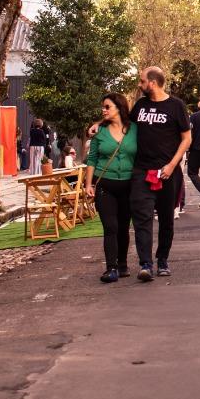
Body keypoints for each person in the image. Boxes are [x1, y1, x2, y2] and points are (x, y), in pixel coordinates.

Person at [129, 66, 191, 282]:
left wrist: (172, 165)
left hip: (168, 172)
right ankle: (145, 263)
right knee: (142, 217)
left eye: (142, 81)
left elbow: (186, 138)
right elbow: (125, 126)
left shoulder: (176, 105)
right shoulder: (140, 105)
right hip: (141, 171)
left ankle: (162, 260)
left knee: (166, 219)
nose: (140, 84)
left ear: (152, 83)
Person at [86, 93, 137, 283]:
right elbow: (92, 159)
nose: (103, 110)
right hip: (104, 185)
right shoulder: (99, 132)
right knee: (110, 226)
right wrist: (88, 184)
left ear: (119, 108)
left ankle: (122, 264)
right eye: (103, 107)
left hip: (128, 185)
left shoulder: (134, 129)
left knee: (123, 226)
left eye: (107, 107)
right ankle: (111, 268)